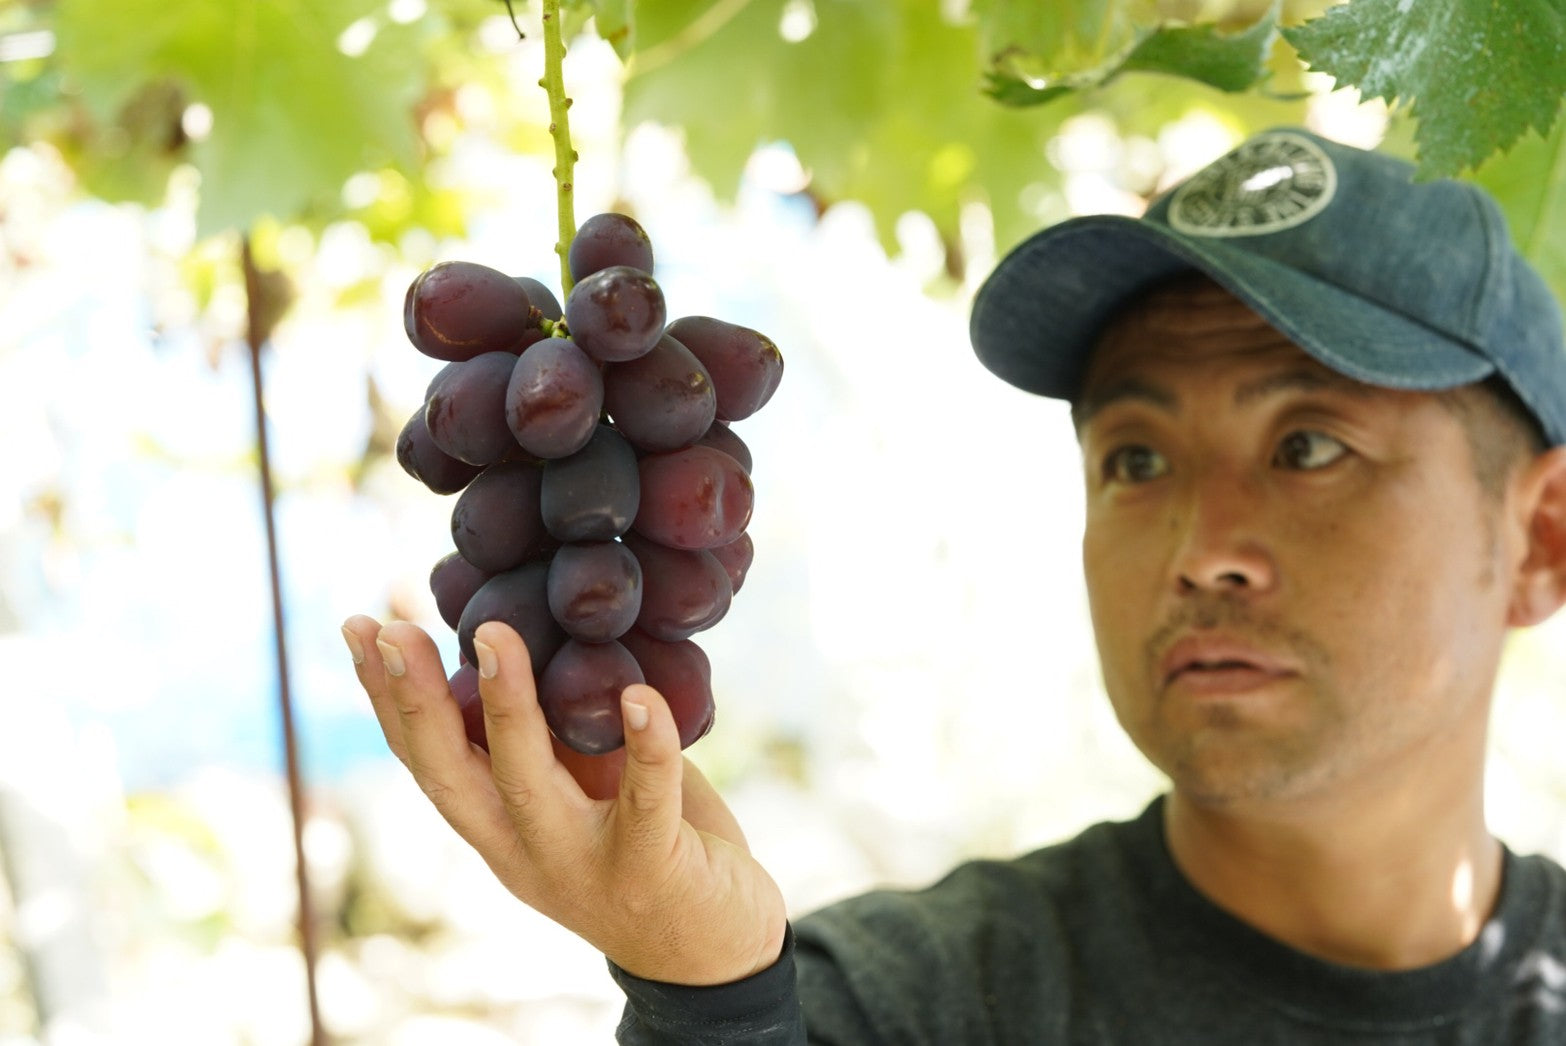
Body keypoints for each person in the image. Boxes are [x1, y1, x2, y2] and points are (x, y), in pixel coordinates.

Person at [341, 127, 1566, 1043]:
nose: (1204, 545)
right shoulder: (899, 1004)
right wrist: (706, 997)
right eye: (1134, 458)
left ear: (1543, 538)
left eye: (1309, 446)